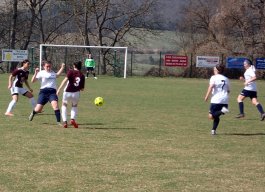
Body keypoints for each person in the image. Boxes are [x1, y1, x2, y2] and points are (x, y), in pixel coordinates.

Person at [28, 60, 65, 125]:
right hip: (43, 92)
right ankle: (33, 113)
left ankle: (58, 122)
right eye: (47, 66)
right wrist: (36, 72)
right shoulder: (41, 73)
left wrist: (62, 67)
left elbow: (58, 75)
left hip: (52, 92)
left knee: (55, 106)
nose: (48, 68)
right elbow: (32, 81)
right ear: (44, 66)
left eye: (49, 66)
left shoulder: (53, 73)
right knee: (38, 110)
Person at [57, 61, 85, 128]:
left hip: (67, 92)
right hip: (76, 93)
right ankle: (72, 119)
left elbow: (65, 81)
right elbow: (82, 89)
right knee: (74, 106)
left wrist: (59, 89)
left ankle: (65, 122)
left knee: (64, 105)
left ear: (74, 66)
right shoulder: (82, 75)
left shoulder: (70, 72)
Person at [204, 64, 230, 135]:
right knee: (216, 116)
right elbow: (228, 91)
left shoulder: (214, 77)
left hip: (216, 99)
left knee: (211, 116)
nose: (213, 70)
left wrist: (206, 96)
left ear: (217, 70)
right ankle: (213, 130)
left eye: (214, 69)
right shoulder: (226, 79)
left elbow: (211, 87)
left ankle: (222, 111)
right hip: (225, 99)